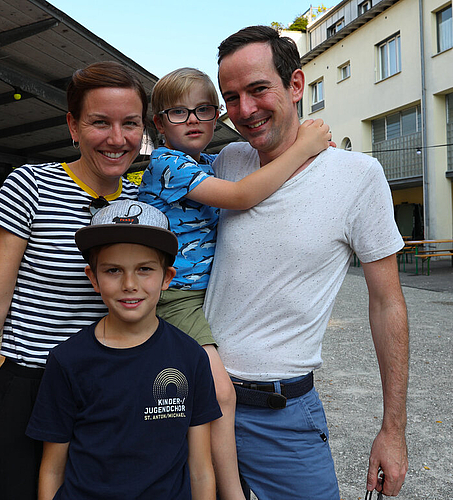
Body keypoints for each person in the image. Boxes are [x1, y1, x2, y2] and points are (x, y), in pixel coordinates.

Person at [0, 61, 147, 500]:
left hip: (116, 391)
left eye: (129, 123)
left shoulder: (144, 204)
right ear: (73, 126)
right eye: (100, 122)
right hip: (32, 390)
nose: (117, 139)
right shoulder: (31, 186)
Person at [203, 26, 409, 499]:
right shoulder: (227, 162)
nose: (245, 110)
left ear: (296, 85)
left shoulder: (358, 177)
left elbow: (387, 304)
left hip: (281, 415)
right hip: (202, 403)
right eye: (231, 98)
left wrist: (392, 431)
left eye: (258, 90)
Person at [138, 67, 331, 499]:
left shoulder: (207, 162)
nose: (192, 120)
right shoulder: (168, 164)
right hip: (175, 298)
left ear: (216, 116)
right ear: (159, 124)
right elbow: (243, 196)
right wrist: (305, 147)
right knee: (221, 394)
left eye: (203, 109)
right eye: (177, 112)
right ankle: (230, 492)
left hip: (199, 297)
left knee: (199, 395)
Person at [27, 200, 222, 499]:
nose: (130, 284)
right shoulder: (67, 360)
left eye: (144, 269)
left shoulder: (191, 356)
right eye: (113, 270)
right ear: (93, 278)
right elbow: (53, 468)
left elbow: (200, 468)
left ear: (167, 277)